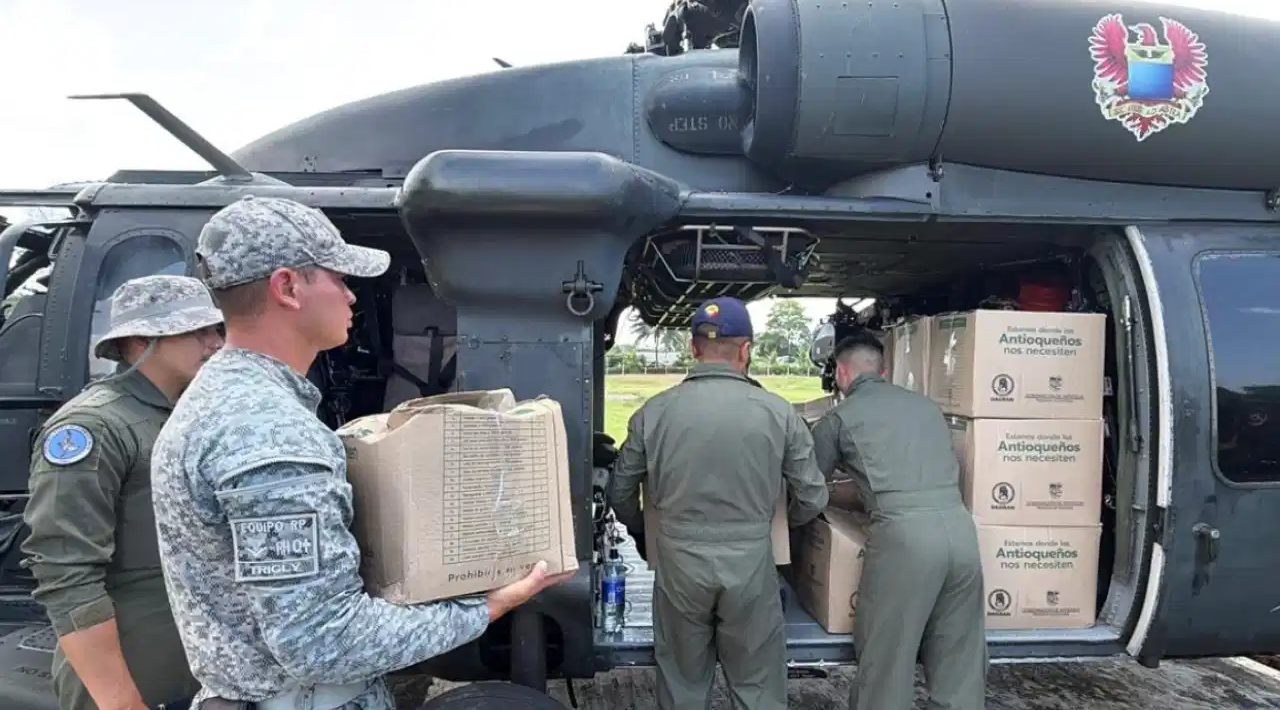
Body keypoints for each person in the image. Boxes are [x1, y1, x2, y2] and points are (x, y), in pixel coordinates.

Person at [149, 195, 573, 710]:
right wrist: (489, 605)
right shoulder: (267, 432)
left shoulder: (221, 400)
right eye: (339, 278)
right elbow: (324, 643)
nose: (352, 296)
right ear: (288, 288)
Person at [608, 296, 829, 710]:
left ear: (694, 348)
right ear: (747, 350)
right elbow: (813, 496)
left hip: (678, 559)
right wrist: (779, 526)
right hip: (750, 558)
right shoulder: (778, 412)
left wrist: (642, 531)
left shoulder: (654, 412)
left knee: (682, 683)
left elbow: (620, 491)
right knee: (758, 685)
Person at [22, 274, 226, 710]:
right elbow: (66, 575)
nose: (215, 343)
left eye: (216, 329)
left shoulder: (191, 415)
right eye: (195, 331)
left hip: (195, 669)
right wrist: (120, 701)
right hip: (134, 674)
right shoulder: (94, 427)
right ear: (140, 341)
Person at [809, 331, 987, 710]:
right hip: (961, 533)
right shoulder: (927, 408)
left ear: (841, 373)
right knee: (959, 661)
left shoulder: (838, 419)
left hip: (906, 543)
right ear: (884, 372)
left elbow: (809, 490)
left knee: (887, 660)